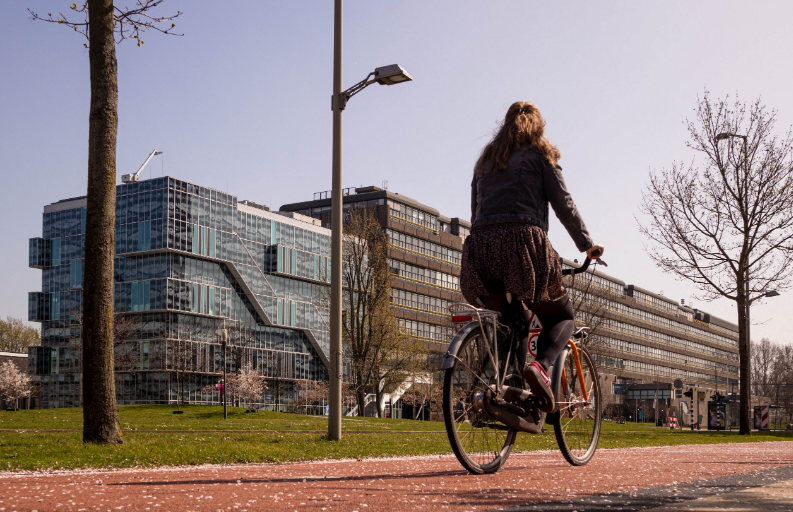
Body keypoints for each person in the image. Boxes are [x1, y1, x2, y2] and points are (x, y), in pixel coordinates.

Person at [460, 101, 604, 413]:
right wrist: (587, 245)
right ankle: (540, 367)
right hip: (523, 245)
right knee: (562, 316)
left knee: (516, 319)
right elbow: (564, 203)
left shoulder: (485, 160)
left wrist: (485, 240)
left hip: (481, 248)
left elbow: (476, 210)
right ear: (538, 126)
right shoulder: (541, 155)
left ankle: (507, 392)